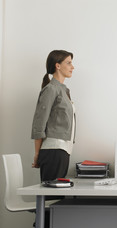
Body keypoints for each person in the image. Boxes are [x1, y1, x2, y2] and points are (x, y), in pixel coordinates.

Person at [31, 50, 76, 182]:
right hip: (54, 150)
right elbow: (39, 123)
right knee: (52, 198)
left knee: (57, 198)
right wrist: (37, 154)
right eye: (68, 63)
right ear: (58, 65)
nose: (72, 67)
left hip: (63, 151)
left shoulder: (63, 90)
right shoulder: (51, 89)